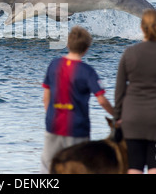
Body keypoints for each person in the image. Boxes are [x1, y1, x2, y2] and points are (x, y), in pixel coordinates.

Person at [40, 26, 114, 173]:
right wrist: (116, 114)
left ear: (67, 44)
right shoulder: (87, 71)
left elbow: (46, 97)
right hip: (77, 128)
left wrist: (51, 115)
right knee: (79, 167)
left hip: (53, 124)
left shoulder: (54, 64)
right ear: (87, 48)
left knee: (48, 166)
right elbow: (102, 100)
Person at [114, 9, 156, 174]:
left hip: (133, 121)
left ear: (142, 28)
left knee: (134, 167)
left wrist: (117, 117)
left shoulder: (130, 53)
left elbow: (119, 89)